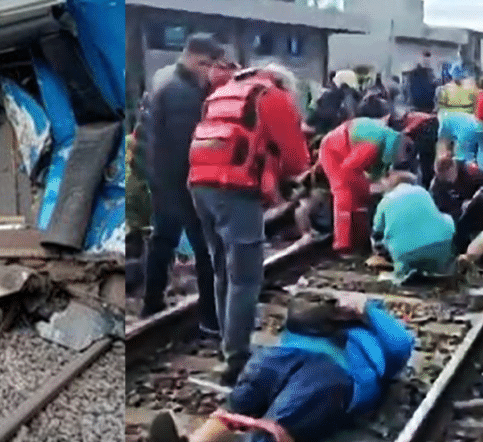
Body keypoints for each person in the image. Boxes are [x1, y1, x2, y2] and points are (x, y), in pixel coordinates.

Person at [187, 60, 311, 384]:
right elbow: (297, 158)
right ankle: (236, 360)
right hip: (235, 190)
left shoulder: (223, 92)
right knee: (245, 278)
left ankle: (228, 347)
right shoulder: (274, 96)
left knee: (222, 272)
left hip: (200, 186)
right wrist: (286, 179)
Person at [148, 295, 413, 442]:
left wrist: (367, 307)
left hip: (301, 364)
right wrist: (361, 309)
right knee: (255, 416)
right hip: (308, 365)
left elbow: (401, 345)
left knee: (252, 416)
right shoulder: (351, 326)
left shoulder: (361, 329)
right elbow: (401, 344)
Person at [142, 33, 224, 337]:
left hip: (165, 178)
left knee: (163, 240)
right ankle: (210, 318)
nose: (210, 72)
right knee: (205, 248)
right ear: (197, 60)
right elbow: (186, 146)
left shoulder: (174, 86)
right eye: (209, 65)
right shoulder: (182, 93)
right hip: (182, 182)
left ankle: (152, 302)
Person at [318, 117, 414, 256]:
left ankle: (361, 238)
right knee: (344, 194)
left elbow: (377, 173)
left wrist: (375, 187)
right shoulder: (372, 147)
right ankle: (342, 246)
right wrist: (369, 187)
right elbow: (347, 170)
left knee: (366, 196)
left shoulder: (388, 144)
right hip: (332, 151)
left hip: (351, 154)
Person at [370, 170, 456, 282]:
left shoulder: (386, 200)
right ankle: (440, 268)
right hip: (439, 245)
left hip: (406, 253)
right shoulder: (422, 191)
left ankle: (402, 272)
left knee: (388, 240)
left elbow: (377, 230)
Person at [388, 107, 439, 189]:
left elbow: (404, 136)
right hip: (424, 132)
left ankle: (426, 183)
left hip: (429, 130)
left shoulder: (411, 121)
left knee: (426, 162)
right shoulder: (407, 119)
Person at [305, 69, 359, 135]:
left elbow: (323, 113)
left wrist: (310, 123)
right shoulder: (359, 97)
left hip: (328, 132)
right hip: (352, 134)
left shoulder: (332, 95)